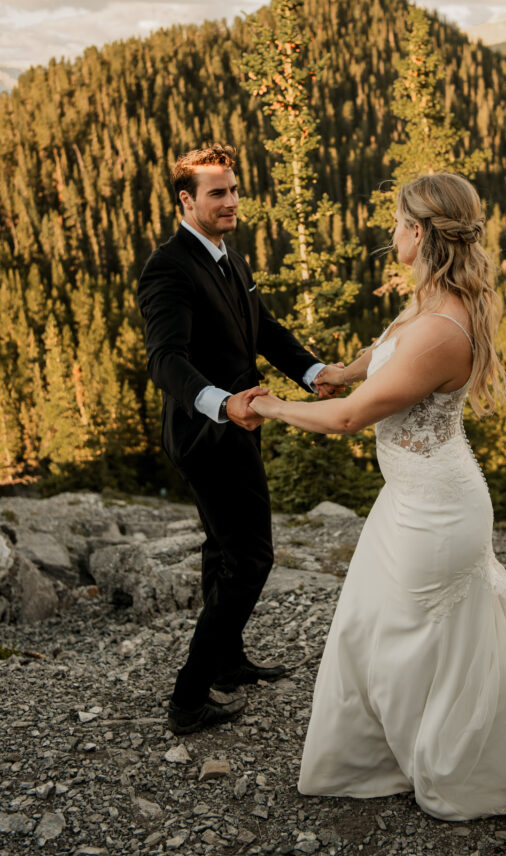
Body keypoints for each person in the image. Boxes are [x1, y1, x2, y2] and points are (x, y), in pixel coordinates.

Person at [249, 173, 506, 820]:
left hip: (436, 508)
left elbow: (351, 420)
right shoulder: (428, 301)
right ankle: (392, 753)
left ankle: (450, 763)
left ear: (418, 233)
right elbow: (384, 353)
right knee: (375, 627)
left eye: (396, 223)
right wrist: (337, 372)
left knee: (414, 639)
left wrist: (272, 406)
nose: (390, 233)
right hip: (410, 496)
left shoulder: (443, 328)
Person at [137, 144, 343, 736]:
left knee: (222, 550)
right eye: (217, 193)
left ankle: (226, 662)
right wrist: (221, 404)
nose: (231, 202)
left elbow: (263, 328)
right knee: (251, 558)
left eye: (233, 189)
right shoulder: (168, 267)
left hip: (240, 419)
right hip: (207, 432)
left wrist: (312, 372)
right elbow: (166, 362)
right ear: (186, 200)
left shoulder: (228, 256)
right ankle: (187, 698)